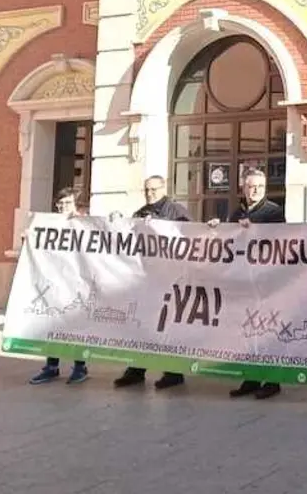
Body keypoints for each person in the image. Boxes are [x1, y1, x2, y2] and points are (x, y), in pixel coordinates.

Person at [208, 169, 286, 401]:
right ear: (243, 188)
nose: (255, 191)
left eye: (260, 187)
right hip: (244, 280)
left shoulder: (273, 212)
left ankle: (273, 381)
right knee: (248, 331)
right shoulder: (237, 212)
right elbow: (229, 241)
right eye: (251, 187)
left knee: (268, 330)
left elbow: (282, 239)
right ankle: (251, 377)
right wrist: (217, 227)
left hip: (268, 281)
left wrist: (253, 228)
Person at [114, 176, 191, 391]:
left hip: (170, 278)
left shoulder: (176, 211)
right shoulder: (140, 213)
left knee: (170, 327)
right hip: (145, 279)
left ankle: (174, 372)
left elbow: (190, 237)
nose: (150, 194)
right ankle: (136, 369)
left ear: (163, 188)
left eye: (154, 189)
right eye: (147, 190)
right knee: (142, 324)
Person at [28, 187, 90, 386]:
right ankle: (51, 366)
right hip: (54, 282)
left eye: (67, 203)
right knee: (53, 323)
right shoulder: (48, 224)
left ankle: (80, 367)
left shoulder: (86, 225)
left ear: (76, 205)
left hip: (77, 283)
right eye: (60, 204)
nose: (62, 207)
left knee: (76, 325)